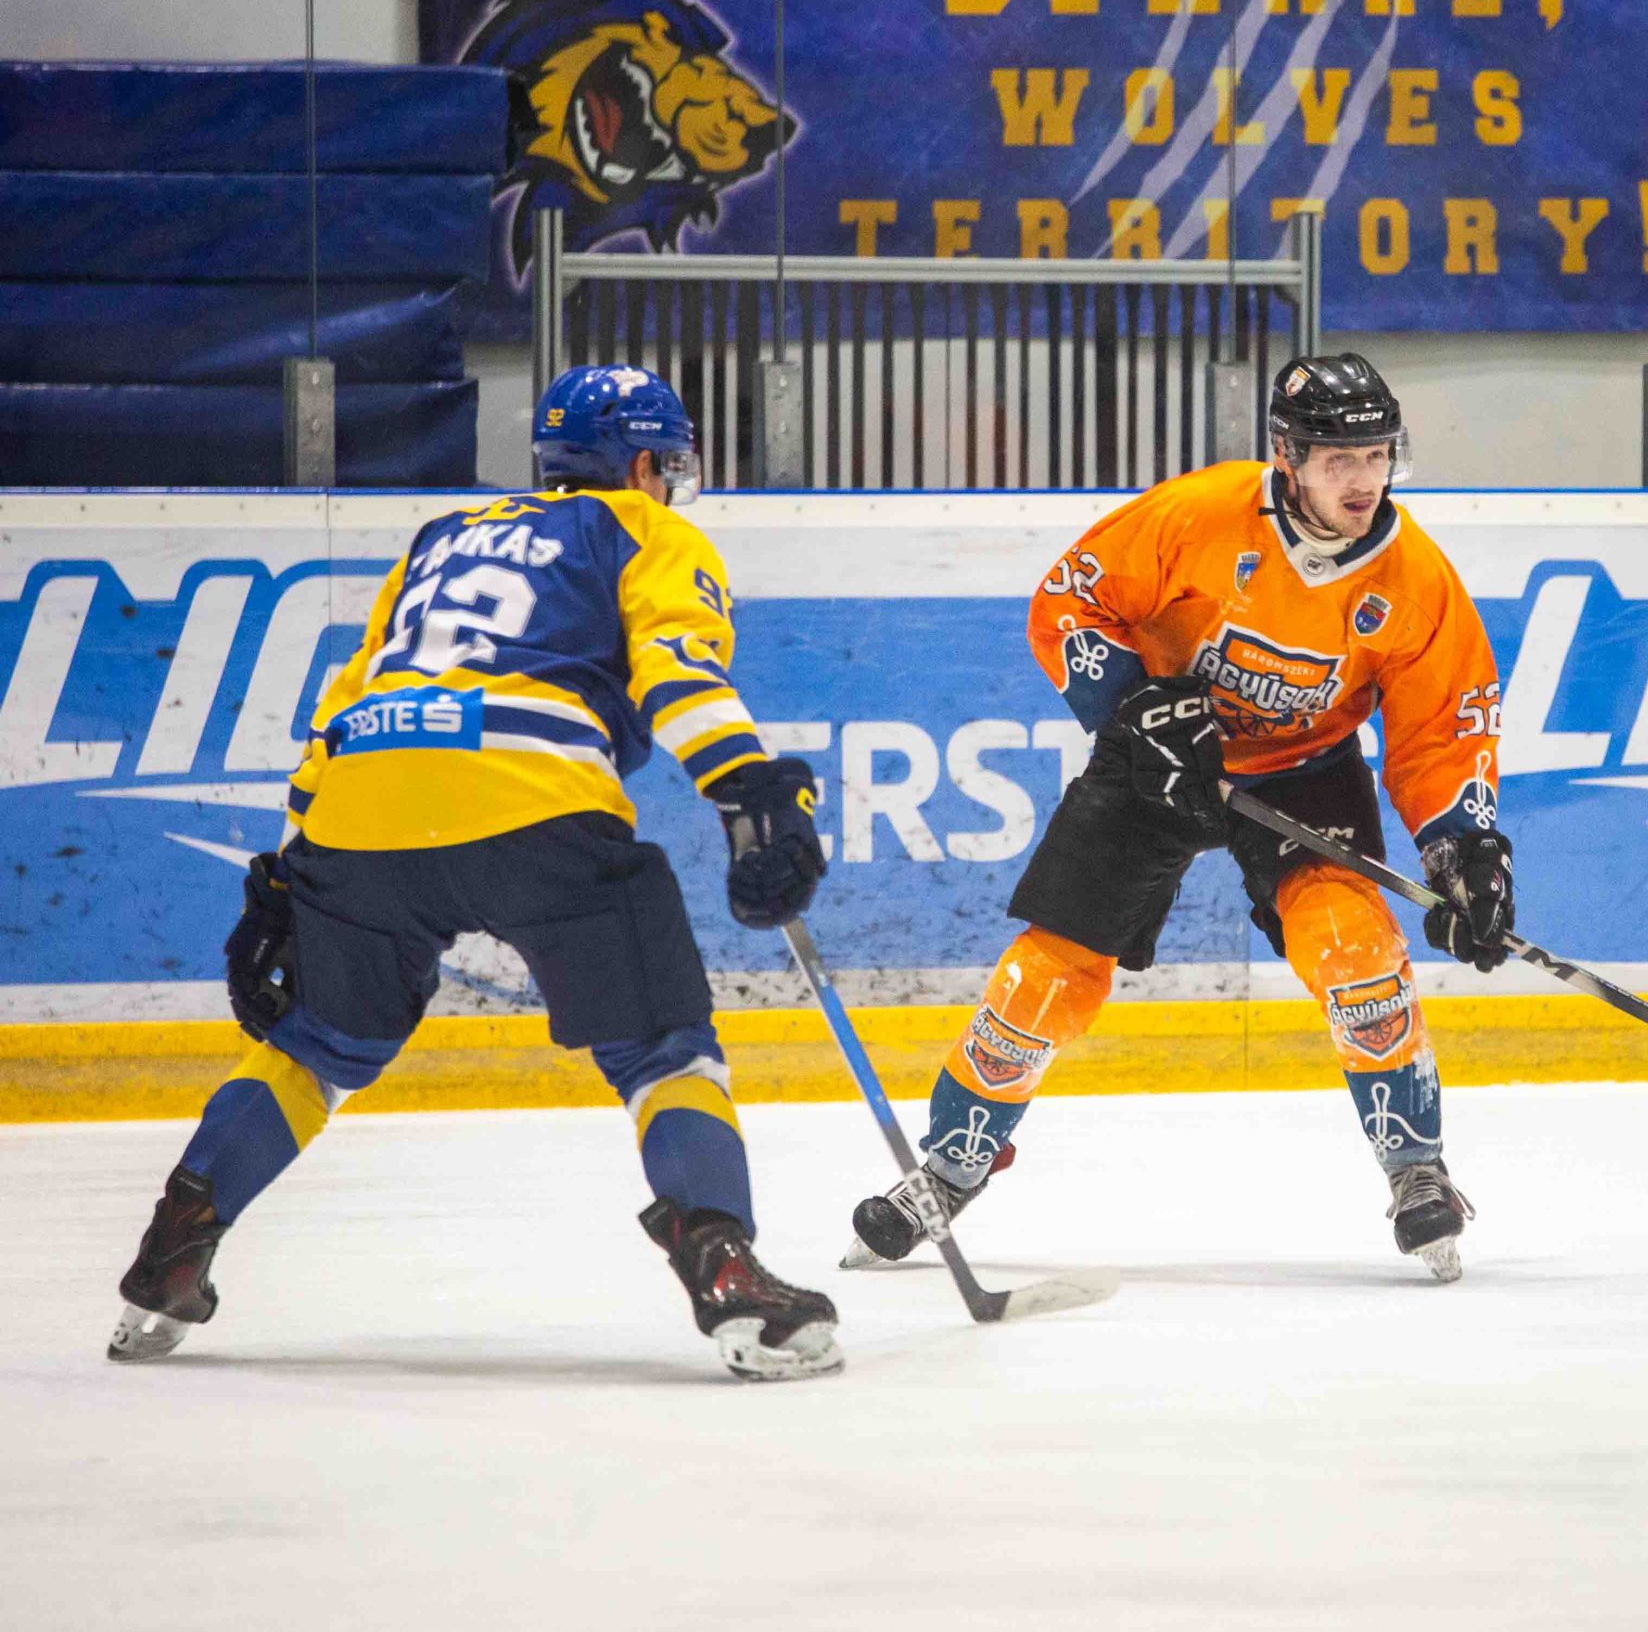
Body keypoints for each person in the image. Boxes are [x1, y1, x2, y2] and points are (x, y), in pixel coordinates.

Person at [109, 365, 841, 1380]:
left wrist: (286, 868)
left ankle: (171, 1252)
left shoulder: (440, 537)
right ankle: (725, 1273)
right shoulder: (643, 529)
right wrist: (747, 790)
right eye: (667, 464)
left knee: (314, 1047)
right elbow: (679, 670)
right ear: (641, 464)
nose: (671, 483)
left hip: (360, 805)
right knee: (664, 1053)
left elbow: (346, 700)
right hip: (531, 796)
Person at [845, 353, 1514, 1282]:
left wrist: (1464, 853)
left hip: (1303, 773)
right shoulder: (1196, 515)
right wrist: (1132, 705)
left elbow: (1441, 730)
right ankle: (952, 1166)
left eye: (1376, 456)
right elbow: (1070, 601)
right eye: (1338, 460)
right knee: (1047, 973)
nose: (1363, 480)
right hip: (1156, 757)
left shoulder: (1416, 582)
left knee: (1354, 947)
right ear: (1287, 456)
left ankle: (1416, 1168)